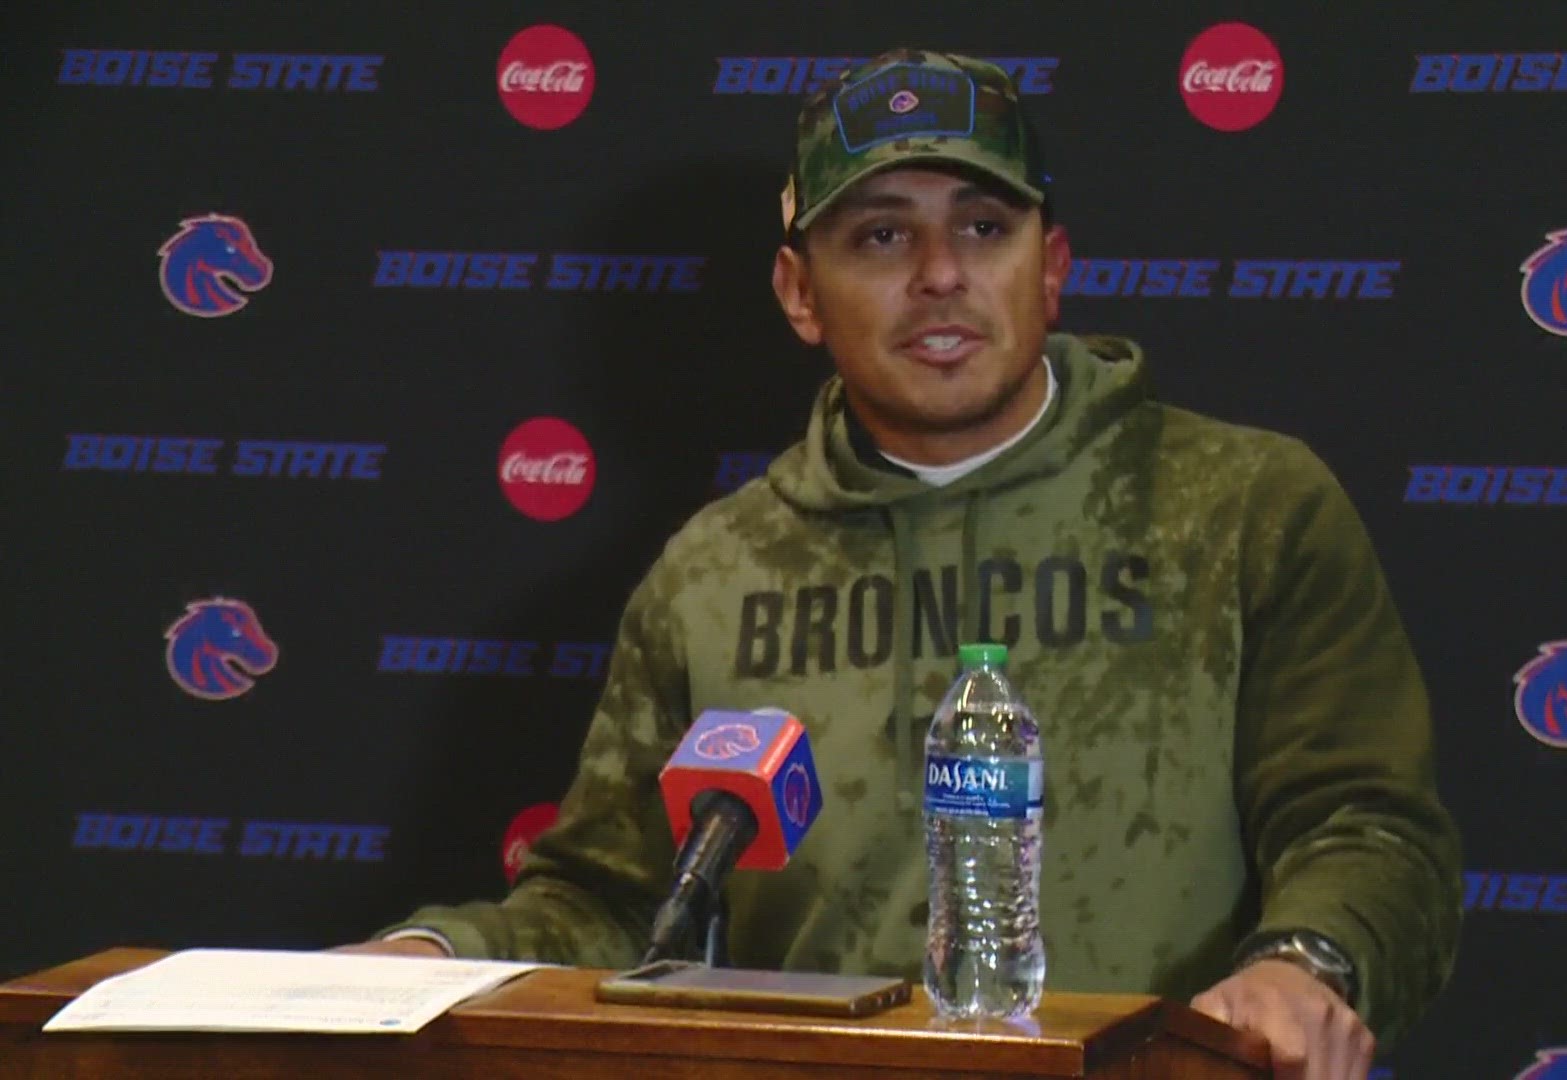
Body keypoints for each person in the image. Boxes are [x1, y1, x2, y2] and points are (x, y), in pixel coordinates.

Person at [342, 48, 1463, 1078]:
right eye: (881, 235)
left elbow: (1369, 833)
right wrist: (433, 955)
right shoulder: (717, 571)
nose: (939, 274)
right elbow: (611, 903)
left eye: (984, 227)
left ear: (1052, 265)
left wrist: (1306, 965)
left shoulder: (1245, 508)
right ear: (798, 292)